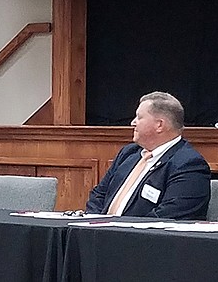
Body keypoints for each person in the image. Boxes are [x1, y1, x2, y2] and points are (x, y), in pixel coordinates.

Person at [86, 91, 211, 219]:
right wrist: (93, 223)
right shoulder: (129, 153)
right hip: (100, 233)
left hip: (136, 237)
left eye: (139, 117)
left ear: (159, 125)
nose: (133, 123)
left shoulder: (188, 164)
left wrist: (117, 232)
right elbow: (99, 194)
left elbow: (168, 216)